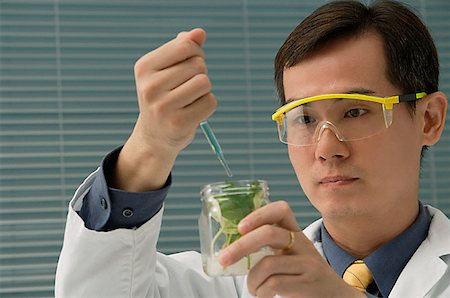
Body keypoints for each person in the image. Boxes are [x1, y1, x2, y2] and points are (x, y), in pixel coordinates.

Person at [55, 0, 450, 297]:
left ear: (429, 119)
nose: (327, 148)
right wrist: (151, 144)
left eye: (356, 111)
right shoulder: (233, 280)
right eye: (305, 119)